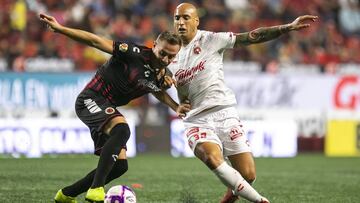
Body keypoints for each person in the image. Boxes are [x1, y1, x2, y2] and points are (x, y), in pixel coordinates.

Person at [169, 3, 318, 203]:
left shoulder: (211, 40)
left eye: (186, 17)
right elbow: (153, 82)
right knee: (213, 158)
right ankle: (259, 200)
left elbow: (253, 36)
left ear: (196, 21)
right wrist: (174, 103)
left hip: (225, 113)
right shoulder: (167, 52)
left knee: (248, 175)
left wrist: (287, 27)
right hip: (197, 119)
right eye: (177, 18)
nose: (180, 22)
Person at [39, 13, 190, 203]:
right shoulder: (132, 53)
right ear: (154, 46)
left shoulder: (161, 72)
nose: (166, 59)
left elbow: (156, 90)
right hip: (90, 99)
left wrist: (175, 106)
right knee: (122, 130)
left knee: (120, 166)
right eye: (163, 53)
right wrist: (61, 29)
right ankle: (96, 189)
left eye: (172, 56)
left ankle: (66, 194)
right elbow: (95, 41)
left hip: (106, 106)